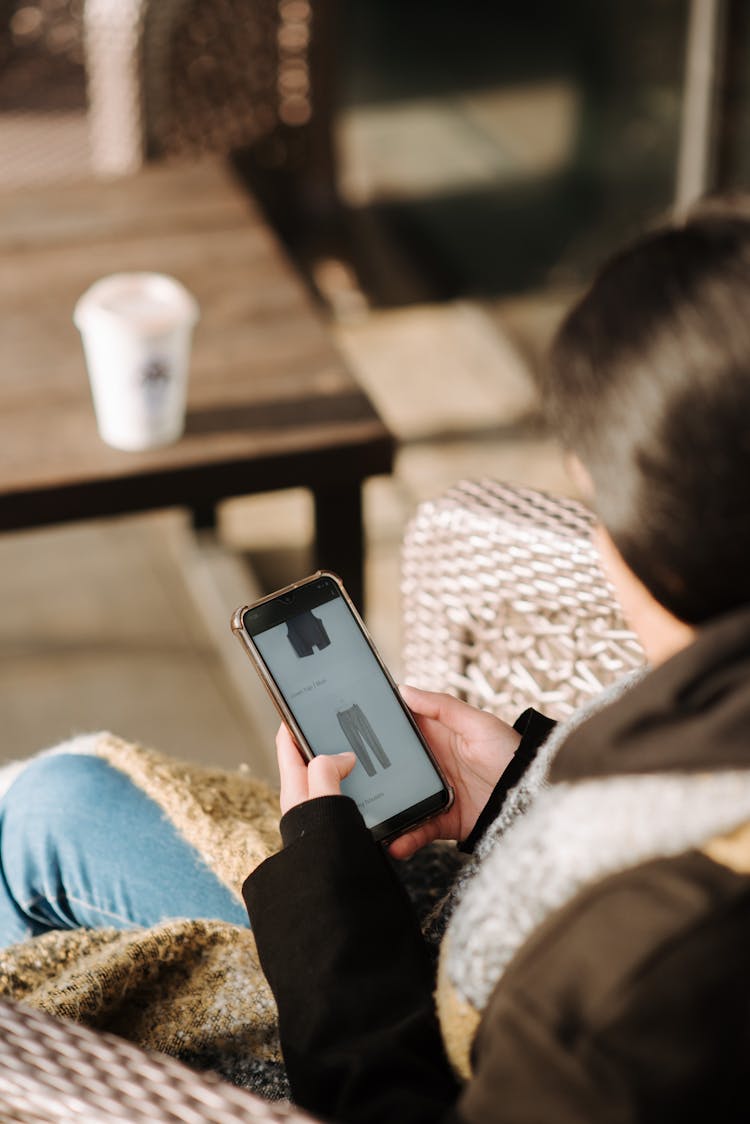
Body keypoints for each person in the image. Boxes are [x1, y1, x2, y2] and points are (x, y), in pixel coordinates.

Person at [3, 200, 750, 1121]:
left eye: (599, 506)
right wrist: (513, 798)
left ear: (664, 539)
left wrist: (323, 902)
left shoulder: (652, 974)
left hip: (390, 1023)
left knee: (37, 830)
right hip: (461, 930)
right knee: (52, 804)